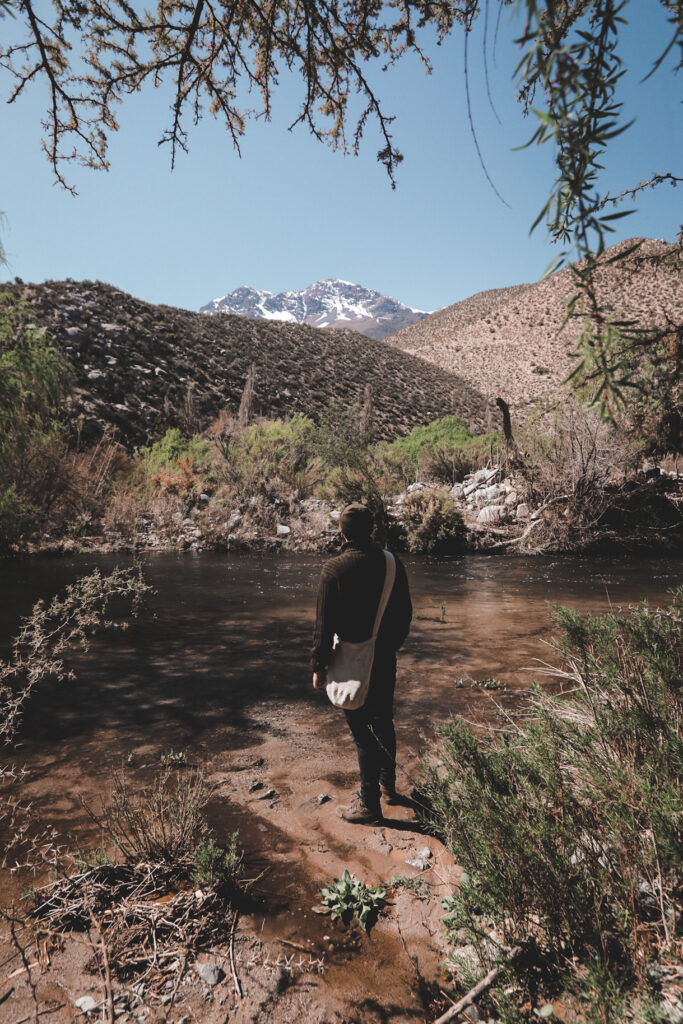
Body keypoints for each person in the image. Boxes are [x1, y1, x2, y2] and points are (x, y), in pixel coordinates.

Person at [311, 502, 412, 825]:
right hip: (384, 657)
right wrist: (387, 647)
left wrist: (319, 667)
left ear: (342, 533)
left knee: (361, 732)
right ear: (372, 530)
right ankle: (388, 788)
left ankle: (369, 805)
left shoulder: (334, 569)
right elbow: (404, 615)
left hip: (353, 658)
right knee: (384, 721)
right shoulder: (392, 563)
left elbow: (324, 628)